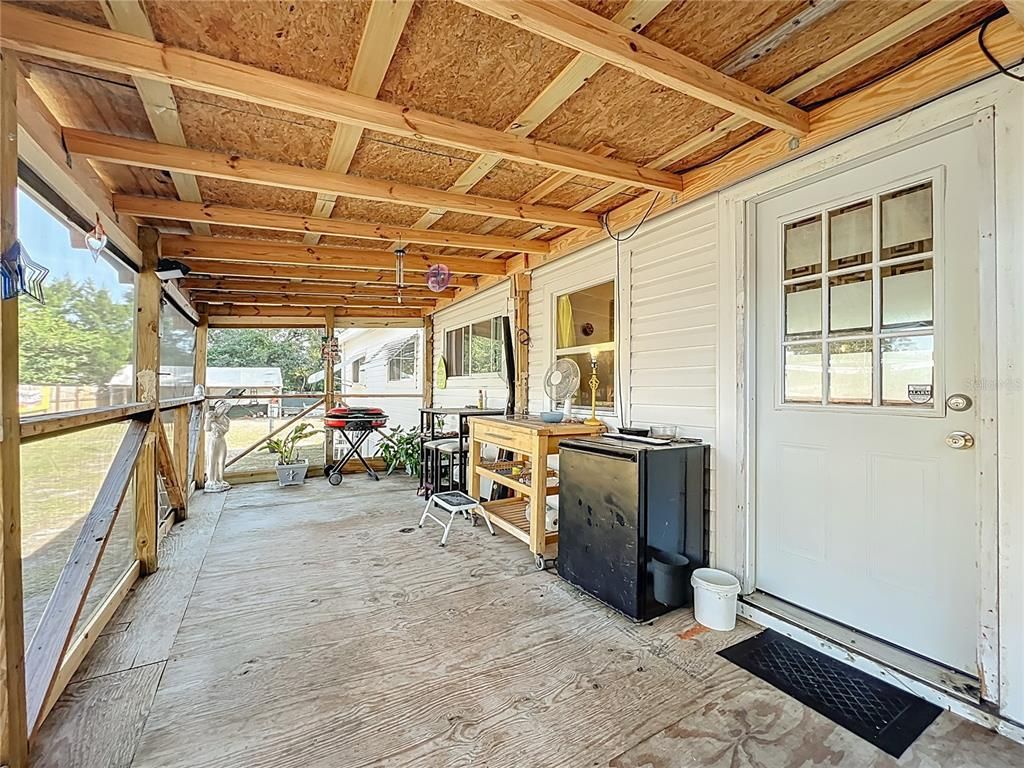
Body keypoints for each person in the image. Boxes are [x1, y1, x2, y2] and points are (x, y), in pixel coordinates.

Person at [205, 399, 232, 493]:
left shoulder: (226, 420)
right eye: (223, 408)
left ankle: (220, 479)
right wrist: (208, 420)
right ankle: (211, 480)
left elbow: (225, 430)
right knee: (212, 460)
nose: (224, 410)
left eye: (226, 409)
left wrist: (215, 424)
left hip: (221, 440)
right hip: (213, 440)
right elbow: (207, 429)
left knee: (221, 460)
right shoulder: (212, 417)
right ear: (218, 408)